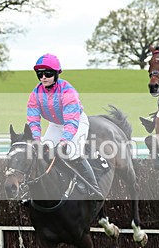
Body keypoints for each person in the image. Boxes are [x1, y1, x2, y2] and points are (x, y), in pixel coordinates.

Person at [26, 53, 102, 199]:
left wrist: (64, 141)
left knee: (72, 152)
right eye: (40, 74)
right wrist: (36, 139)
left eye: (47, 73)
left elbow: (71, 121)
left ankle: (92, 187)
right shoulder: (35, 93)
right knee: (44, 152)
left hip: (76, 123)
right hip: (56, 125)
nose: (43, 77)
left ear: (56, 74)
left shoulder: (67, 91)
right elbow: (33, 120)